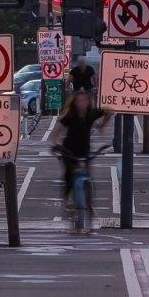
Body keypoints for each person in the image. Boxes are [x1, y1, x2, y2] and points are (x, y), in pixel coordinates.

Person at [54, 73, 104, 235]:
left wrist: (109, 115)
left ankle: (88, 210)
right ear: (75, 102)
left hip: (85, 152)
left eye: (85, 100)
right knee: (69, 176)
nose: (82, 103)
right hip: (69, 151)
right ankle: (68, 199)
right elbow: (56, 131)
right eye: (79, 100)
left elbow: (101, 126)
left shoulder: (91, 114)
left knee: (88, 180)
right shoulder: (70, 115)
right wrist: (55, 144)